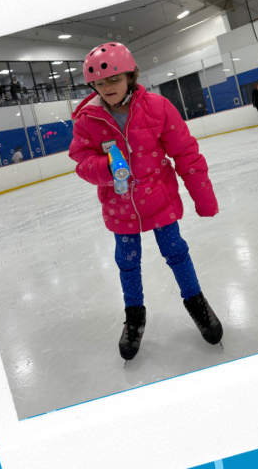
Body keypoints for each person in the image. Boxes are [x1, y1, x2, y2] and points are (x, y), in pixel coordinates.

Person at [68, 42, 223, 361]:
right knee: (127, 263)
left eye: (113, 79)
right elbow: (82, 161)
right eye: (99, 82)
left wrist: (203, 198)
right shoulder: (88, 119)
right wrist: (107, 168)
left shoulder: (158, 107)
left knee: (176, 252)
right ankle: (135, 317)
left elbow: (186, 154)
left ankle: (197, 303)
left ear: (130, 76)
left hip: (159, 201)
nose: (106, 87)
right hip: (120, 208)